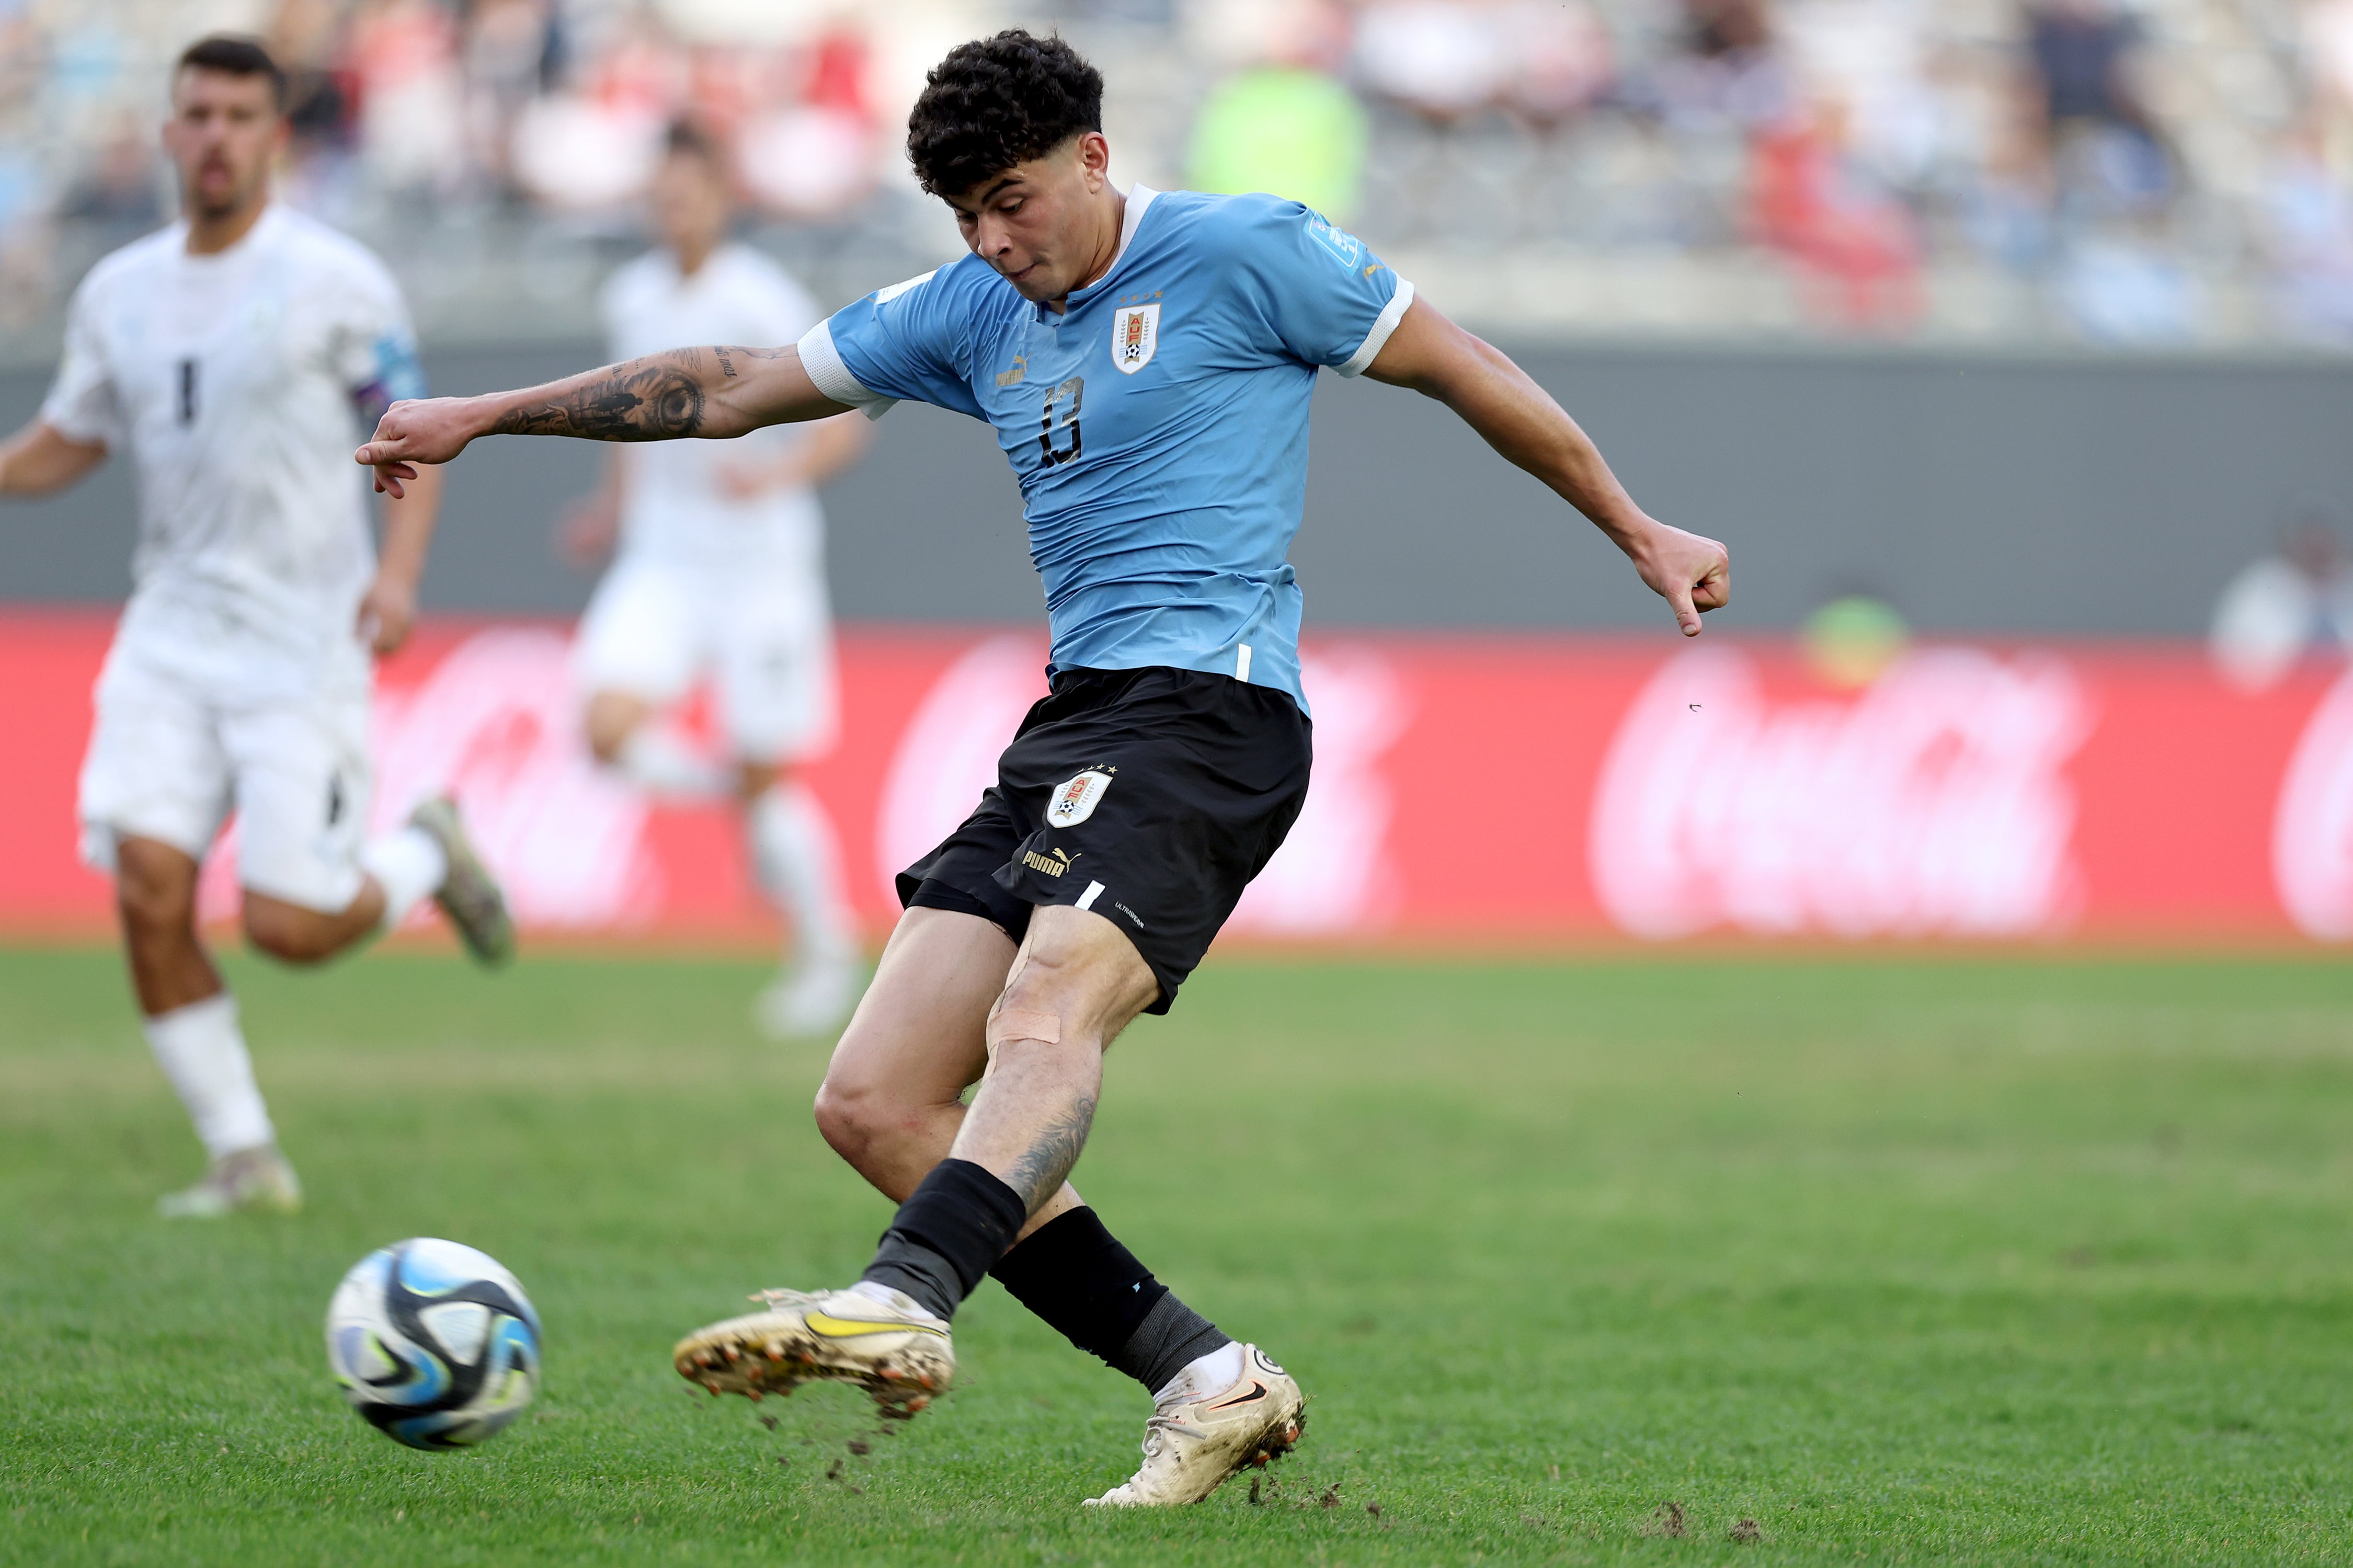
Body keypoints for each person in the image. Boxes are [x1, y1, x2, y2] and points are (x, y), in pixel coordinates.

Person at [356, 30, 1728, 1505]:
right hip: (1073, 725)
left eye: (1010, 200)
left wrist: (1636, 523)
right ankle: (1209, 1378)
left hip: (1213, 714)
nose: (993, 241)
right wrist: (483, 418)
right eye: (962, 216)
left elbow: (1464, 367)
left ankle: (901, 1295)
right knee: (873, 1100)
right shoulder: (964, 306)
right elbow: (738, 382)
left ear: (1092, 155)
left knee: (1046, 1000)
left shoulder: (1250, 253)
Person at [0, 36, 512, 1218]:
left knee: (287, 924)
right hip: (170, 628)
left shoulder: (336, 279)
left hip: (300, 638)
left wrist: (397, 577)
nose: (218, 135)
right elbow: (74, 435)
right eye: (198, 114)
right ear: (171, 132)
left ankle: (428, 850)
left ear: (274, 137)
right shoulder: (118, 290)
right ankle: (244, 1155)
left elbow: (408, 428)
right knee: (145, 883)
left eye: (241, 115)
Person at [560, 121, 870, 1037]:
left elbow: (847, 423)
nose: (671, 210)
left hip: (760, 567)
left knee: (772, 767)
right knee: (604, 727)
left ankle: (825, 949)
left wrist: (770, 476)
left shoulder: (760, 297)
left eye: (686, 193)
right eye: (659, 194)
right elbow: (624, 420)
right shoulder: (634, 296)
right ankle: (733, 795)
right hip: (664, 557)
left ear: (721, 198)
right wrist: (607, 507)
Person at [2210, 503, 2353, 691]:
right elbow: (2230, 661)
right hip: (2274, 703)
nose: (2317, 546)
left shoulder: (2346, 585)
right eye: (2309, 538)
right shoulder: (2258, 592)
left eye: (2324, 537)